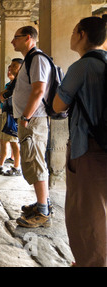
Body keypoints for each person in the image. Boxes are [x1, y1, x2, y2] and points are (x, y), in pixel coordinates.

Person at [53, 15, 107, 266]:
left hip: (88, 147)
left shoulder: (81, 67)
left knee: (86, 210)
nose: (71, 35)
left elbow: (58, 104)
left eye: (74, 31)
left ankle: (91, 262)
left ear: (83, 34)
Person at [11, 26, 53, 228]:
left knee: (35, 161)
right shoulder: (30, 60)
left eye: (16, 38)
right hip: (30, 119)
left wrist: (26, 116)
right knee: (31, 159)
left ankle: (43, 211)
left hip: (34, 119)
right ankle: (40, 203)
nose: (12, 42)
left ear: (28, 38)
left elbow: (38, 90)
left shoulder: (37, 59)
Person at [0, 58, 22, 176]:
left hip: (12, 115)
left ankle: (17, 167)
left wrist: (4, 94)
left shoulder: (19, 82)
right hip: (7, 113)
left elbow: (4, 95)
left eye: (14, 66)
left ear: (21, 67)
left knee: (13, 141)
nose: (11, 68)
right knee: (3, 140)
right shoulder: (12, 83)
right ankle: (0, 165)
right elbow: (1, 97)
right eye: (10, 66)